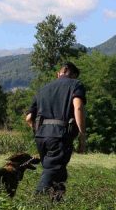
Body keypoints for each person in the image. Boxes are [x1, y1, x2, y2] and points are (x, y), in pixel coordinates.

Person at [25, 61, 87, 201]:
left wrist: (39, 131)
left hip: (41, 135)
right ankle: (36, 204)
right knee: (52, 170)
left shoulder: (43, 89)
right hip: (59, 135)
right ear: (71, 73)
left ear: (59, 73)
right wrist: (82, 136)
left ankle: (56, 204)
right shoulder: (76, 85)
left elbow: (29, 118)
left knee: (59, 171)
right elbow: (78, 108)